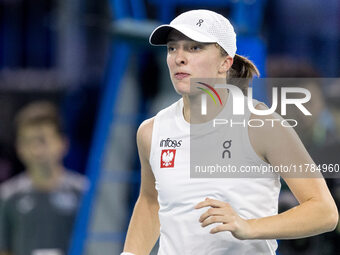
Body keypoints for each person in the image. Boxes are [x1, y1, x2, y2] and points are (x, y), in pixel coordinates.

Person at [121, 10, 338, 255]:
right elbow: (151, 202)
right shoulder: (151, 131)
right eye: (172, 48)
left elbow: (324, 211)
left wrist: (249, 226)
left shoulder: (262, 124)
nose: (179, 58)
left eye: (194, 48)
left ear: (226, 62)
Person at [0, 101, 88, 255]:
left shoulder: (85, 193)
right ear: (18, 148)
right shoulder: (7, 197)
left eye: (42, 140)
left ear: (62, 143)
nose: (36, 150)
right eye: (27, 141)